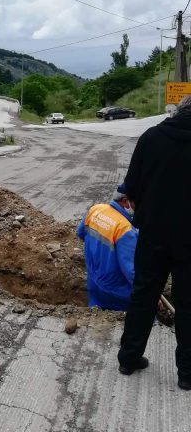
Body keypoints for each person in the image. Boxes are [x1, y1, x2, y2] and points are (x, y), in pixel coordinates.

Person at [118, 94, 191, 390]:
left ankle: (129, 358)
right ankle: (187, 374)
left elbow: (130, 188)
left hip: (153, 234)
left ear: (178, 111)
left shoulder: (151, 137)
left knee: (143, 295)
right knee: (189, 304)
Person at [76, 184, 138, 310]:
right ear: (125, 202)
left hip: (93, 282)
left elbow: (80, 233)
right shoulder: (125, 230)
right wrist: (149, 293)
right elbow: (131, 271)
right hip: (117, 291)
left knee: (95, 315)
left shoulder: (95, 209)